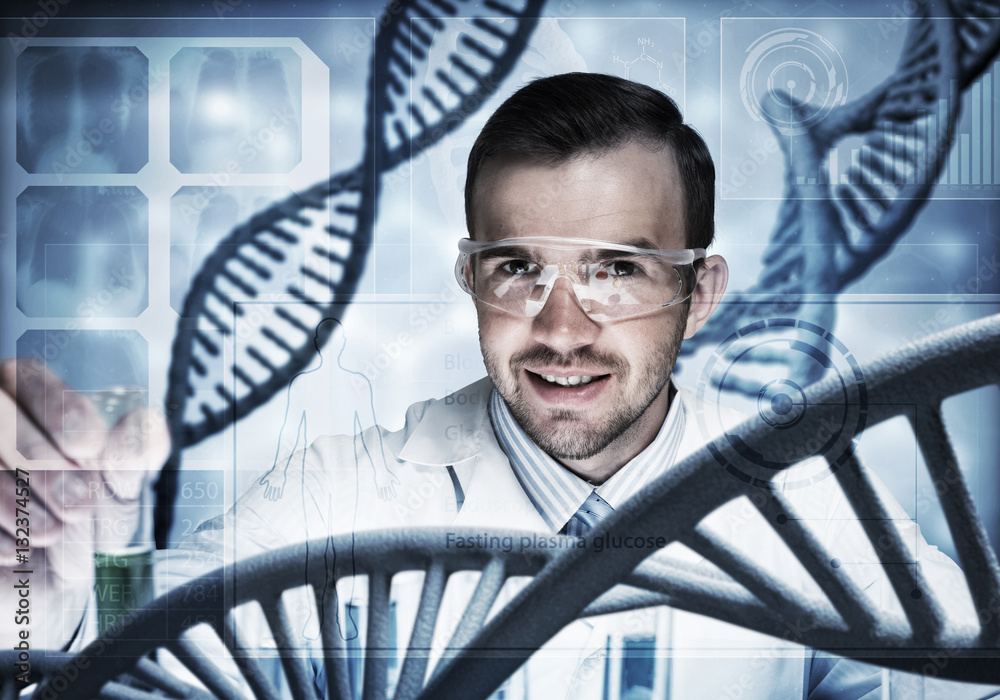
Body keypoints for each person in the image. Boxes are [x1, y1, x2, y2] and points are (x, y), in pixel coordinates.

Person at [0, 73, 985, 698]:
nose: (561, 329)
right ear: (470, 278)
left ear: (698, 292)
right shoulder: (333, 498)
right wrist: (39, 616)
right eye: (518, 269)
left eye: (616, 271)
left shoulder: (812, 504)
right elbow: (131, 675)